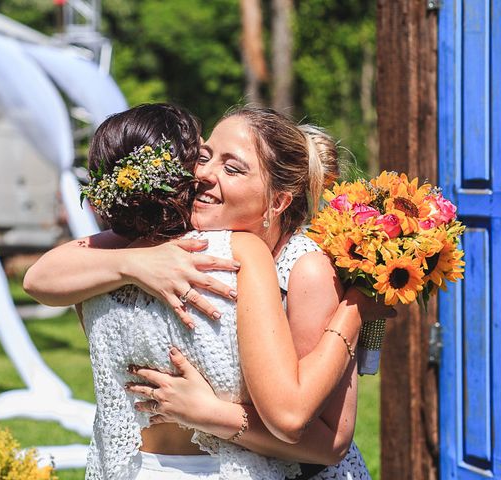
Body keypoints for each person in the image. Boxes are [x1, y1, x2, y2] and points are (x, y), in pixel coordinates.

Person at [24, 104, 394, 479]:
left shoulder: (303, 268)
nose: (203, 174)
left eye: (232, 168)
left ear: (279, 201)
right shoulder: (176, 237)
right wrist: (134, 263)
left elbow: (327, 442)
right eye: (204, 157)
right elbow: (40, 276)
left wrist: (355, 307)